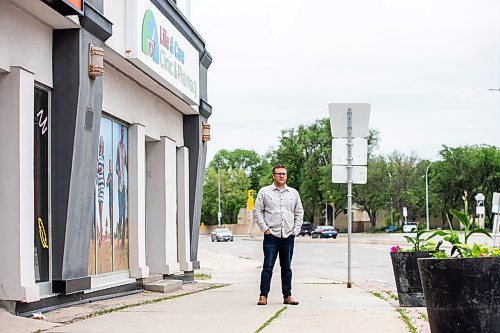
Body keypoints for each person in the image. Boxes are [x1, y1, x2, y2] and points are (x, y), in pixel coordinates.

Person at [254, 164, 304, 306]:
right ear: (273, 175)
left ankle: (287, 296)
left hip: (288, 235)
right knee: (267, 266)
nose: (281, 176)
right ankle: (263, 295)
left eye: (283, 174)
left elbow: (299, 212)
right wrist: (265, 229)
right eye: (278, 174)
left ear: (286, 175)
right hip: (271, 236)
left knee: (286, 267)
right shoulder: (265, 192)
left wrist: (295, 230)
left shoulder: (293, 193)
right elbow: (257, 211)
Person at [116, 126, 127, 246]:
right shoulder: (118, 146)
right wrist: (117, 171)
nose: (123, 133)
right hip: (120, 183)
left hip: (124, 183)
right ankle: (120, 237)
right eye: (122, 131)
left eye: (124, 131)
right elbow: (117, 165)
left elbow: (127, 163)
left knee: (124, 211)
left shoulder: (125, 149)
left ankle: (123, 238)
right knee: (120, 211)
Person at [96, 136, 105, 241]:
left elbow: (102, 170)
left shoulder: (102, 157)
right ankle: (99, 229)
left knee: (101, 208)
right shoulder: (97, 157)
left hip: (101, 183)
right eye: (101, 146)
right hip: (97, 182)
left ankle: (101, 230)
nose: (101, 148)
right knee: (98, 207)